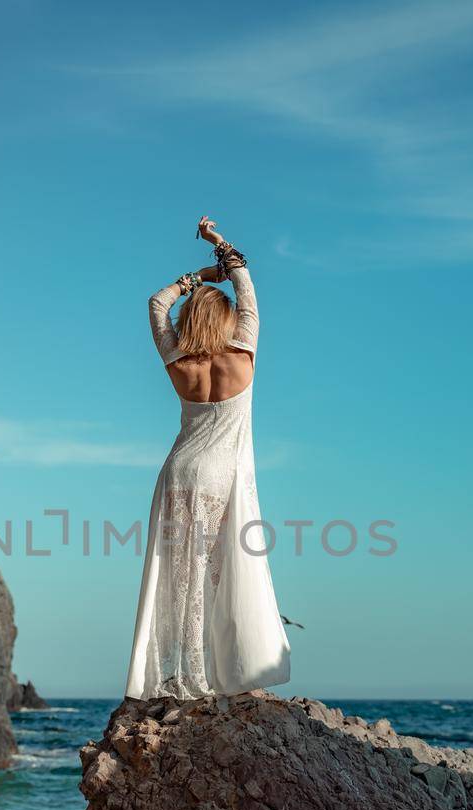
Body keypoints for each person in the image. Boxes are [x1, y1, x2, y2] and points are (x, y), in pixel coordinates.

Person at [123, 216, 291, 700]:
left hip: (178, 471)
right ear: (227, 319)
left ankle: (178, 677)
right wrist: (218, 246)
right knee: (216, 574)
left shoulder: (179, 360)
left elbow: (157, 303)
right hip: (219, 476)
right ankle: (216, 676)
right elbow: (246, 283)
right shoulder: (244, 352)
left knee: (178, 577)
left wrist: (192, 280)